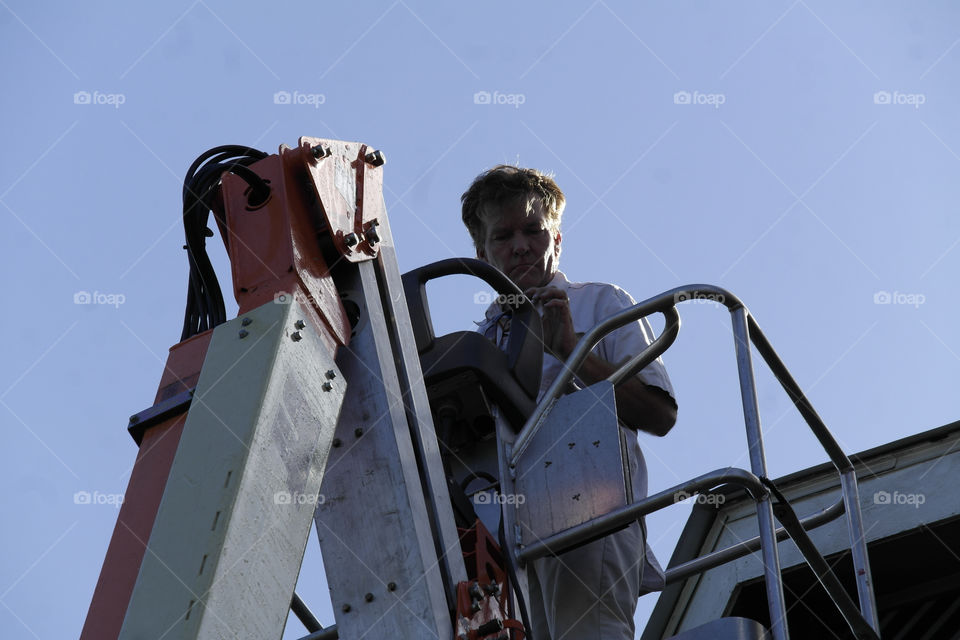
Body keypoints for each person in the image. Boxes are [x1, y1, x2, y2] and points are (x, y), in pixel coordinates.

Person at [461, 165, 678, 640]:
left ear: (556, 239)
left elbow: (660, 414)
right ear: (481, 253)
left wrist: (573, 353)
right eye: (503, 235)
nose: (521, 245)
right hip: (502, 542)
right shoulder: (475, 346)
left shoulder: (600, 304)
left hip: (588, 516)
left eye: (534, 230)